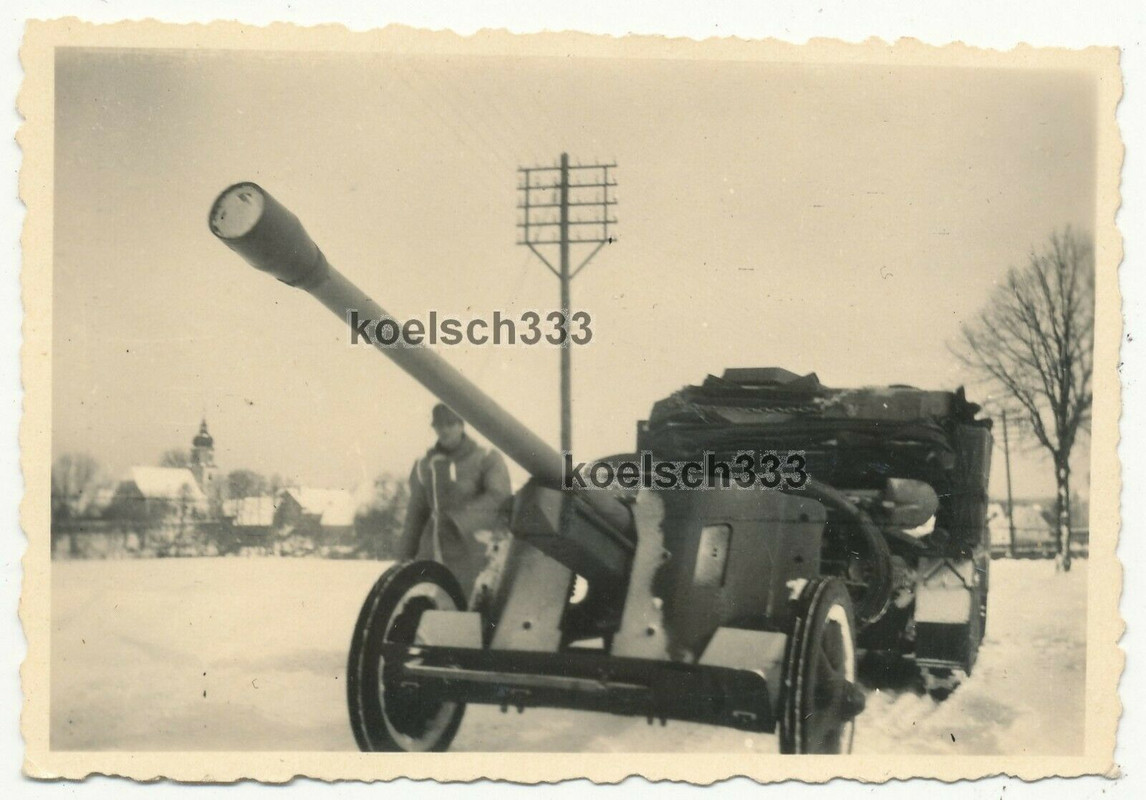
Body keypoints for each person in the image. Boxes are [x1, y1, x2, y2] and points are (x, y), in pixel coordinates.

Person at [397, 403, 512, 601]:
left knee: (470, 604)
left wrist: (458, 520)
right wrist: (403, 558)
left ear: (461, 425)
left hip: (472, 549)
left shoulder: (486, 459)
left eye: (450, 424)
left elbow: (499, 497)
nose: (444, 430)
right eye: (439, 425)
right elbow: (416, 513)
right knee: (430, 605)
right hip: (432, 550)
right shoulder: (424, 465)